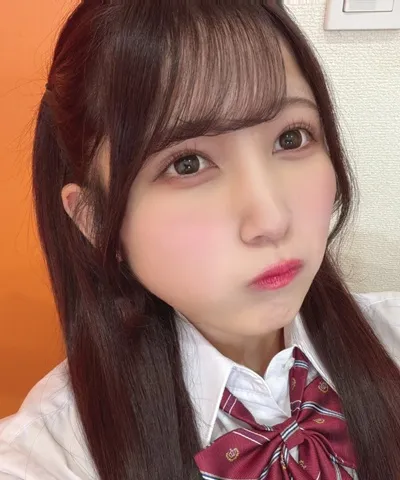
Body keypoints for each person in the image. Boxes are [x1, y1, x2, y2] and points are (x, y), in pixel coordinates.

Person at [1, 1, 400, 479]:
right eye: (186, 164)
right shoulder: (45, 459)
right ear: (95, 219)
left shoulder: (391, 341)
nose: (271, 220)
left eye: (292, 138)